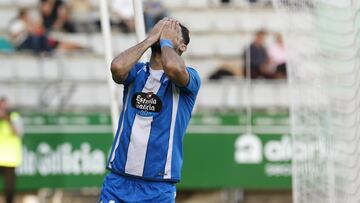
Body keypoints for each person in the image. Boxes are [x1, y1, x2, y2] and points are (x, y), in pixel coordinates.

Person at [99, 18, 201, 203]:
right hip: (119, 180)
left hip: (158, 186)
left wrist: (166, 43)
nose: (164, 32)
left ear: (183, 46)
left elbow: (172, 67)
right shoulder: (136, 72)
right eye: (162, 29)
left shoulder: (188, 77)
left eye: (171, 30)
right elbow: (117, 68)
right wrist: (148, 40)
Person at [9, 8, 84, 54]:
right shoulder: (17, 23)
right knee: (38, 38)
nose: (29, 17)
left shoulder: (29, 23)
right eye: (28, 15)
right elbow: (14, 35)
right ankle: (45, 50)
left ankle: (80, 47)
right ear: (23, 16)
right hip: (24, 43)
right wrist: (26, 28)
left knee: (53, 41)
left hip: (37, 40)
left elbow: (39, 31)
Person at [0, 98, 24, 203]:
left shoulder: (14, 117)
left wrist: (8, 120)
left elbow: (18, 133)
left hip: (10, 159)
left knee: (9, 190)